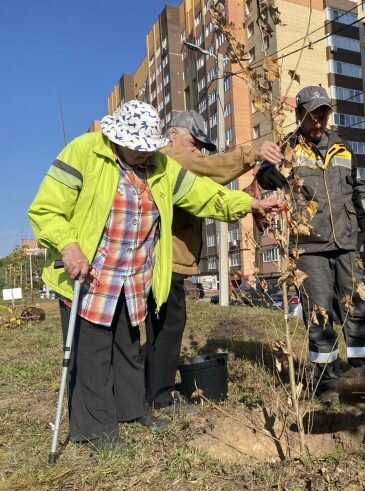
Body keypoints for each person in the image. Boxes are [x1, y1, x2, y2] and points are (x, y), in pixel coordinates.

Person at [28, 100, 281, 451]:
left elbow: (202, 194)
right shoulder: (84, 152)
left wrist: (249, 204)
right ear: (120, 139)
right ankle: (97, 430)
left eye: (149, 149)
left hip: (132, 277)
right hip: (89, 273)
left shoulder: (159, 165)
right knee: (93, 353)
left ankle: (132, 410)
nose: (147, 156)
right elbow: (46, 208)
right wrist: (68, 246)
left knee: (128, 346)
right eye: (139, 150)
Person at [145, 110, 282, 413]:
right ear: (172, 136)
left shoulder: (174, 164)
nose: (197, 151)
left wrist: (251, 202)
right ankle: (161, 398)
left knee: (161, 329)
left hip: (170, 262)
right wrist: (252, 153)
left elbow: (207, 193)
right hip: (166, 263)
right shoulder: (168, 156)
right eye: (194, 143)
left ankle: (151, 390)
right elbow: (208, 170)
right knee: (167, 329)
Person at [256, 85, 365, 399]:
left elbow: (358, 190)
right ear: (299, 115)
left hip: (347, 242)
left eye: (323, 114)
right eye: (311, 115)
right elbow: (265, 178)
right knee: (319, 314)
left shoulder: (343, 148)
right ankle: (326, 384)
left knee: (358, 309)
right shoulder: (291, 149)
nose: (318, 121)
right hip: (309, 246)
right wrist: (270, 163)